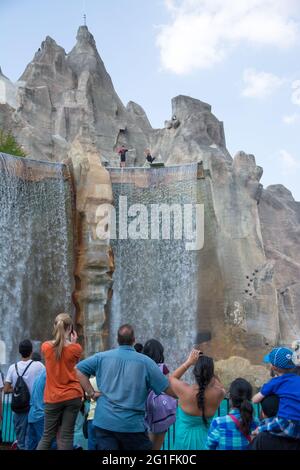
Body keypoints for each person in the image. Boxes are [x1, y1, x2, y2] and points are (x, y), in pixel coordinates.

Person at [76, 324, 174, 450]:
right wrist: (186, 393)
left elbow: (78, 370)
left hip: (104, 423)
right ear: (134, 340)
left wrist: (91, 393)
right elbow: (167, 388)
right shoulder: (146, 362)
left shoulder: (101, 357)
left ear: (117, 340)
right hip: (131, 426)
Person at [37, 313, 83, 450]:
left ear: (55, 326)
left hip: (53, 397)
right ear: (70, 329)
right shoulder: (76, 349)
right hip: (73, 395)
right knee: (67, 435)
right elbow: (74, 364)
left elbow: (57, 352)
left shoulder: (45, 347)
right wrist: (73, 343)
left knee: (47, 436)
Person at [170, 351, 225, 450]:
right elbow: (220, 386)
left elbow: (172, 378)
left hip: (184, 439)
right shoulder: (219, 393)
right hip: (206, 440)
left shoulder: (185, 390)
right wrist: (209, 370)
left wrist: (189, 362)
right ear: (211, 374)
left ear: (195, 372)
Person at [252, 347, 300, 440]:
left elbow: (255, 400)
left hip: (287, 423)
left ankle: (256, 431)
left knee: (261, 427)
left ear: (273, 367)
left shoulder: (275, 382)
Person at [4, 339, 44, 450]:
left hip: (19, 409)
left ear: (19, 352)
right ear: (31, 351)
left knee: (21, 441)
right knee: (35, 440)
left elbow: (6, 389)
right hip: (35, 408)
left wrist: (17, 389)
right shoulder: (39, 366)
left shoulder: (13, 368)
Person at [207, 378, 259, 450]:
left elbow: (208, 447)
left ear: (230, 398)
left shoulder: (218, 423)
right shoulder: (256, 422)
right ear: (249, 398)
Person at [143, 339, 177, 450]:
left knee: (149, 442)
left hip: (149, 409)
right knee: (158, 445)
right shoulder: (163, 367)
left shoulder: (143, 366)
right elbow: (168, 385)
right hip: (163, 410)